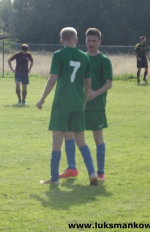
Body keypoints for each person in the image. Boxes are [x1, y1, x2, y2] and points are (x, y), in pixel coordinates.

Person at [36, 27, 98, 186]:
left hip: (61, 104)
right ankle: (92, 173)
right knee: (81, 141)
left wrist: (42, 99)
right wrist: (83, 103)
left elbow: (52, 80)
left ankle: (54, 179)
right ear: (77, 40)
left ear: (62, 41)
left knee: (56, 142)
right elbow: (89, 84)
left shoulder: (58, 55)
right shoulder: (85, 58)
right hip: (77, 104)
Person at [60, 28, 113, 181]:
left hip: (96, 105)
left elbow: (109, 83)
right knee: (68, 132)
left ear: (99, 42)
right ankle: (72, 168)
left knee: (97, 136)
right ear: (84, 41)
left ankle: (100, 171)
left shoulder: (104, 60)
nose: (91, 43)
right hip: (78, 104)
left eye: (94, 41)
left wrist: (95, 93)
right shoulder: (81, 57)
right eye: (88, 40)